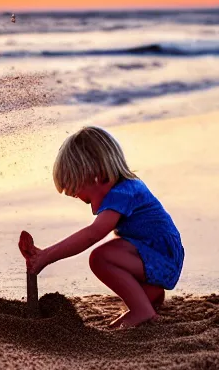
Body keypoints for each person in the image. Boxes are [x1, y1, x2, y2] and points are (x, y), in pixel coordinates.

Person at [20, 126, 184, 328]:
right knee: (118, 250)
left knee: (100, 257)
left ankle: (142, 311)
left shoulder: (123, 193)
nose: (80, 199)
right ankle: (150, 295)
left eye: (80, 193)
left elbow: (93, 234)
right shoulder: (127, 187)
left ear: (96, 174)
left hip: (159, 257)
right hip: (159, 257)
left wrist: (47, 256)